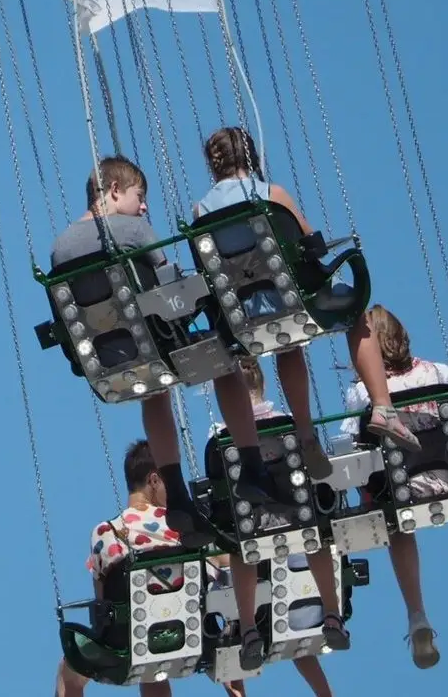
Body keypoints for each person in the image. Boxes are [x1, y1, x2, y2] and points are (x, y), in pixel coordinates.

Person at [47, 156, 282, 547]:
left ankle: (175, 491)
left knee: (154, 387)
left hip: (108, 357)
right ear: (114, 190)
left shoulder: (59, 248)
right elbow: (170, 283)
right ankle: (253, 466)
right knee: (226, 359)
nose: (143, 207)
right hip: (158, 341)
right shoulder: (133, 229)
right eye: (139, 196)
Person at [193, 126, 421, 455]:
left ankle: (304, 431)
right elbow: (311, 241)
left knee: (286, 340)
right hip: (289, 300)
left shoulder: (200, 212)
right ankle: (383, 408)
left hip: (241, 310)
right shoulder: (273, 194)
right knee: (355, 314)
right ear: (251, 156)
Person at [338, 305, 448, 668]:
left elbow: (353, 448)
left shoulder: (362, 395)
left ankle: (417, 615)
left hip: (403, 486)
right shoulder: (440, 373)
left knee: (397, 523)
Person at [54, 441, 289, 697]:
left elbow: (102, 601)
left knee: (71, 669)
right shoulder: (186, 528)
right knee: (198, 645)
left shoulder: (105, 533)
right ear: (154, 480)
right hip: (195, 636)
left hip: (132, 642)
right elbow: (224, 562)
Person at [210, 358, 353, 651]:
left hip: (252, 520)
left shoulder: (219, 436)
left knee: (240, 546)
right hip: (296, 512)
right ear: (262, 383)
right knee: (315, 533)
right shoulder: (286, 421)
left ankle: (248, 628)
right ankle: (331, 612)